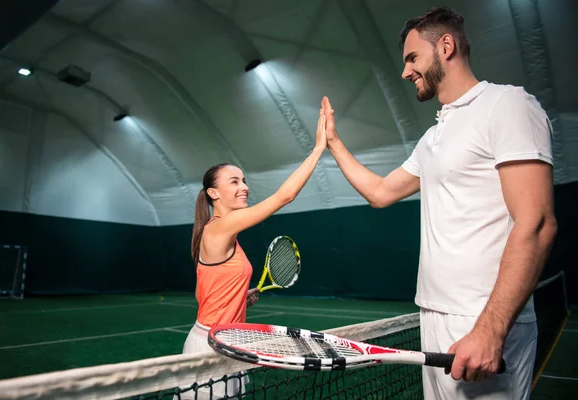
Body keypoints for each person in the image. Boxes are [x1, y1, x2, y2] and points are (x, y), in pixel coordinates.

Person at [321, 6, 557, 399]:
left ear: (445, 46)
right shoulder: (432, 139)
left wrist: (489, 330)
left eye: (412, 58)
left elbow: (536, 222)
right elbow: (380, 192)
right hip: (432, 314)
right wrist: (334, 142)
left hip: (482, 320)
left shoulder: (508, 104)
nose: (405, 71)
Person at [181, 108, 328, 398]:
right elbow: (285, 196)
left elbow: (202, 296)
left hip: (231, 341)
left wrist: (238, 295)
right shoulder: (221, 227)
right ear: (214, 194)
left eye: (244, 180)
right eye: (234, 182)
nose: (244, 187)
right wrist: (319, 148)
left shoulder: (222, 233)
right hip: (209, 347)